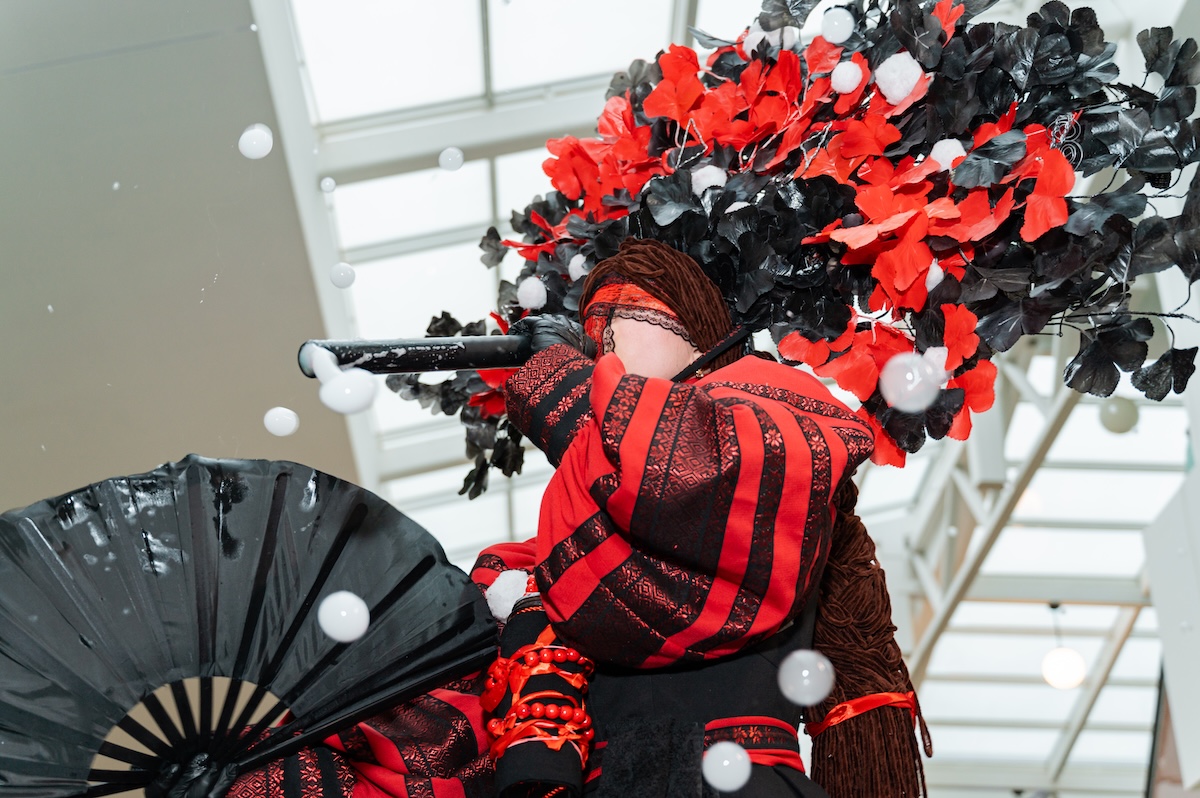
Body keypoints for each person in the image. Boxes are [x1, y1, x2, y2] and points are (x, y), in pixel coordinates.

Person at [470, 237, 928, 797]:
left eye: (623, 312)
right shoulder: (571, 516)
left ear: (695, 329)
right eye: (591, 329)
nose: (601, 341)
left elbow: (692, 479)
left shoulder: (768, 407)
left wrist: (568, 387)